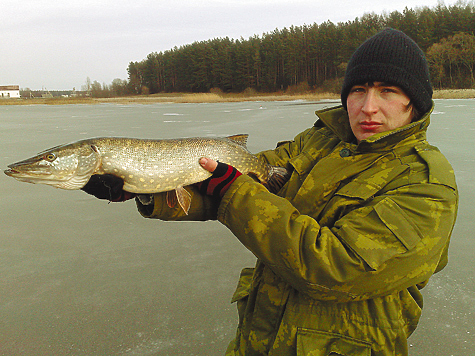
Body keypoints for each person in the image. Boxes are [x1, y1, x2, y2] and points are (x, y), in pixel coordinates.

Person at [82, 28, 458, 356]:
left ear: (415, 101)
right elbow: (232, 179)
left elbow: (336, 268)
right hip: (261, 338)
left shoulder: (426, 184)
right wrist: (146, 189)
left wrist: (233, 190)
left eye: (387, 91)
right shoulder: (320, 141)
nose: (367, 108)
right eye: (358, 90)